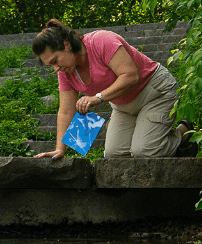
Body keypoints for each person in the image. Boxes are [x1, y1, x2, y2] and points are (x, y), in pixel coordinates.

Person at [31, 19, 192, 159]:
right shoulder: (65, 71)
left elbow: (131, 76)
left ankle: (184, 133)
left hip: (154, 92)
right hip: (124, 106)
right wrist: (60, 149)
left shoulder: (101, 41)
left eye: (55, 61)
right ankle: (149, 134)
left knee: (144, 151)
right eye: (50, 65)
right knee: (113, 155)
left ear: (66, 45)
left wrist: (98, 97)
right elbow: (65, 111)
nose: (55, 69)